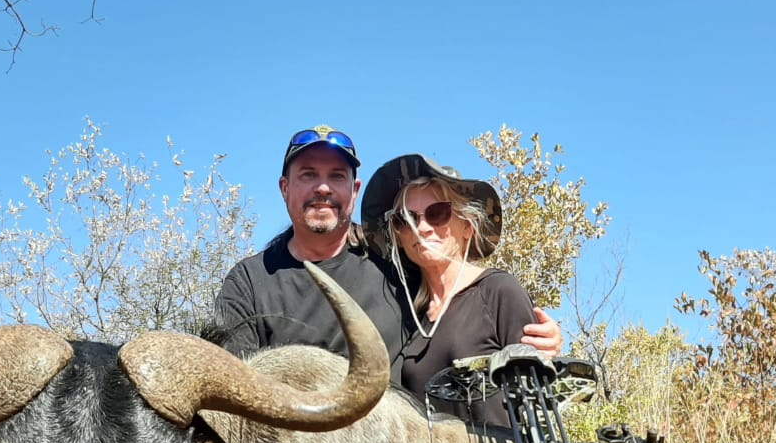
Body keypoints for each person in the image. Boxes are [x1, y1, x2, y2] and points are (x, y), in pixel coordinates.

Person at [214, 127, 560, 383]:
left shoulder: (396, 269)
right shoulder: (249, 283)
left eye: (337, 176)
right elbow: (234, 389)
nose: (323, 187)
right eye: (308, 175)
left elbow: (462, 295)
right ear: (285, 188)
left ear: (354, 191)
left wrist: (544, 342)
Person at [359, 153, 539, 427]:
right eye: (405, 219)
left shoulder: (498, 292)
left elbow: (537, 397)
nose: (422, 228)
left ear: (467, 226)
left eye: (438, 213)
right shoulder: (409, 316)